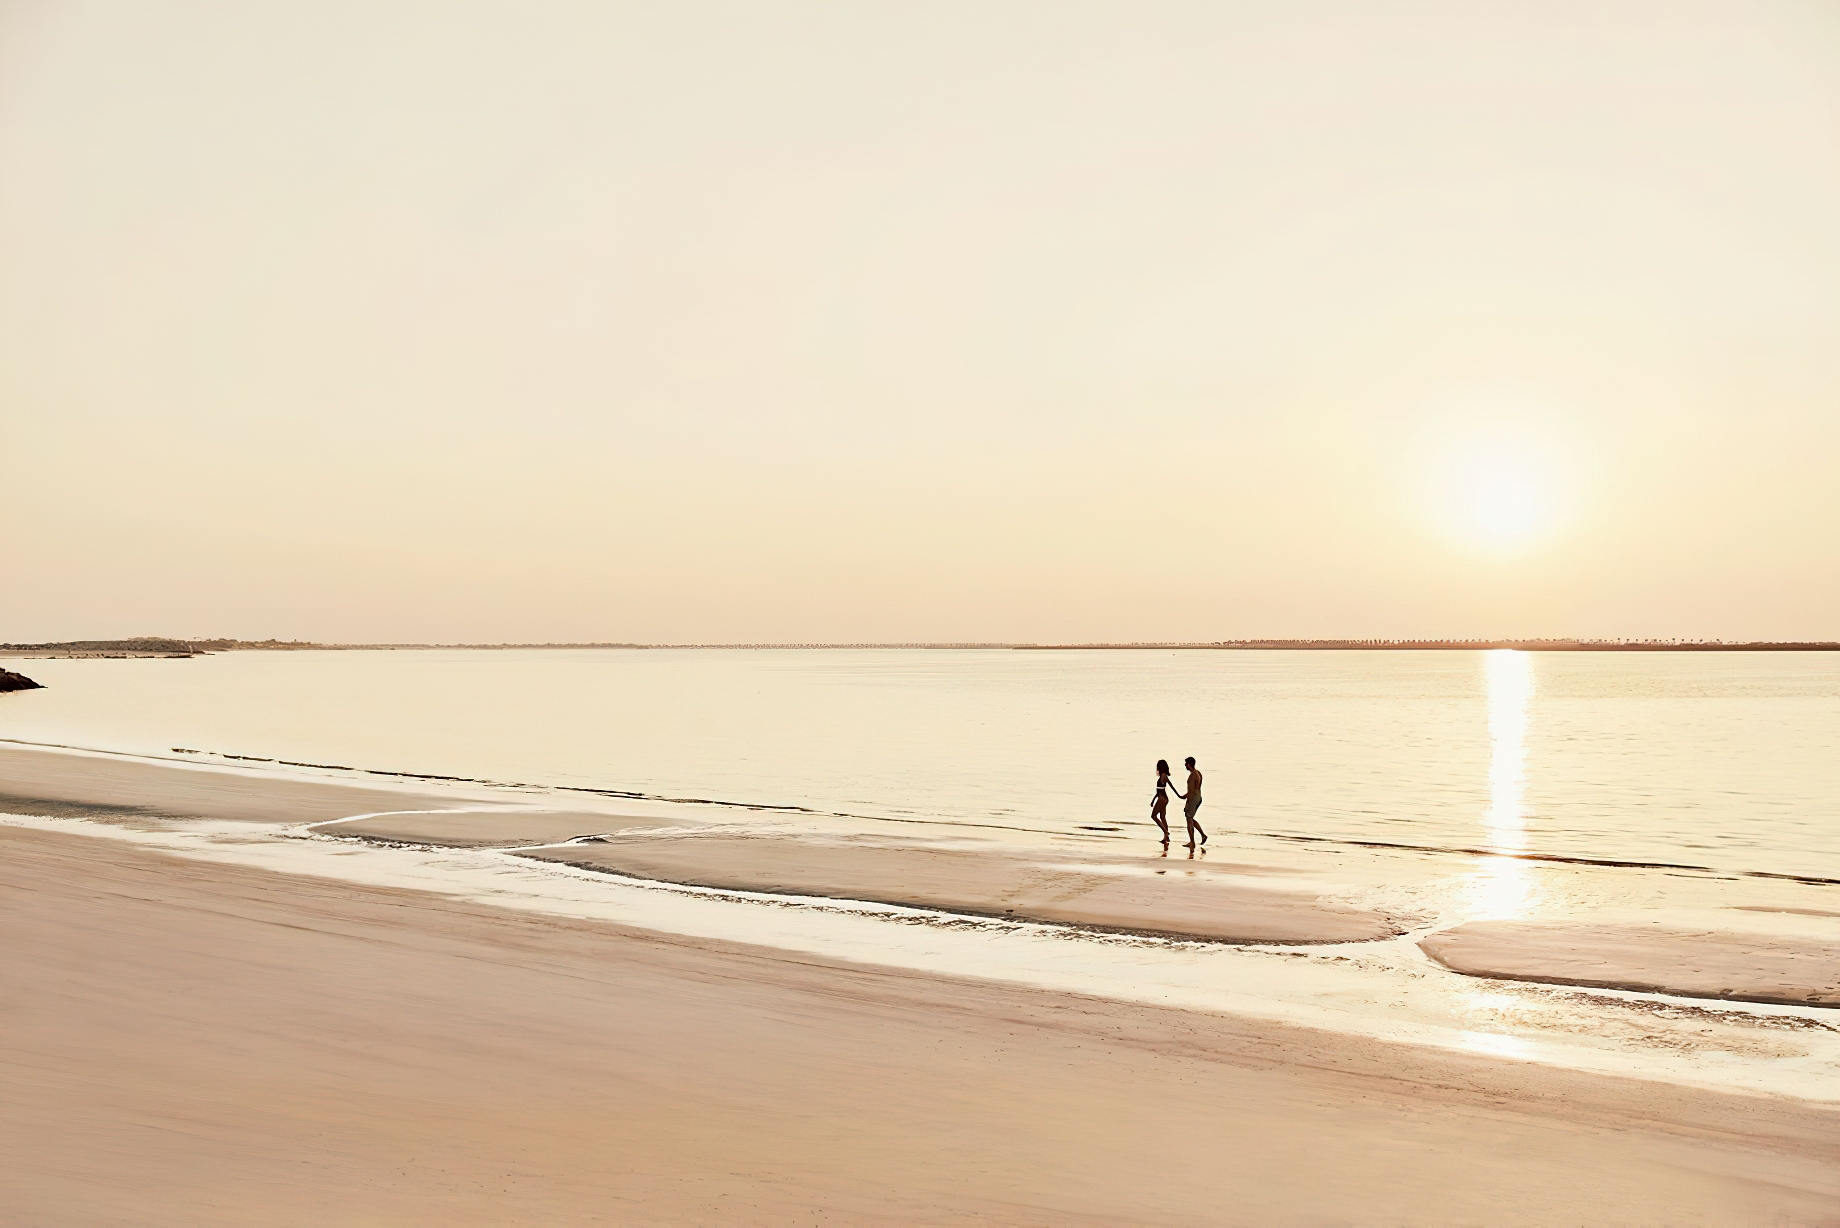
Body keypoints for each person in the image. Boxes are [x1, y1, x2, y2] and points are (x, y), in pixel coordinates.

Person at [1174, 756, 1206, 848]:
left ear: (1189, 764)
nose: (1185, 765)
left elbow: (1192, 792)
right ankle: (1203, 835)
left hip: (1194, 798)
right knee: (1191, 818)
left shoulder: (1192, 775)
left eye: (1186, 764)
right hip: (1198, 797)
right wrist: (1184, 796)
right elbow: (1195, 789)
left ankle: (1192, 842)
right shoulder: (1198, 773)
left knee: (1188, 819)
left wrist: (1187, 804)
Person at [1149, 759, 1173, 843]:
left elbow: (1171, 786)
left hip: (1162, 799)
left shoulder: (1163, 776)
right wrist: (1153, 800)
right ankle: (1166, 838)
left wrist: (1179, 796)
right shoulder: (1163, 776)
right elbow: (1159, 790)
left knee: (1153, 816)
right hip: (1162, 798)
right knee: (1162, 817)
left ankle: (1166, 832)